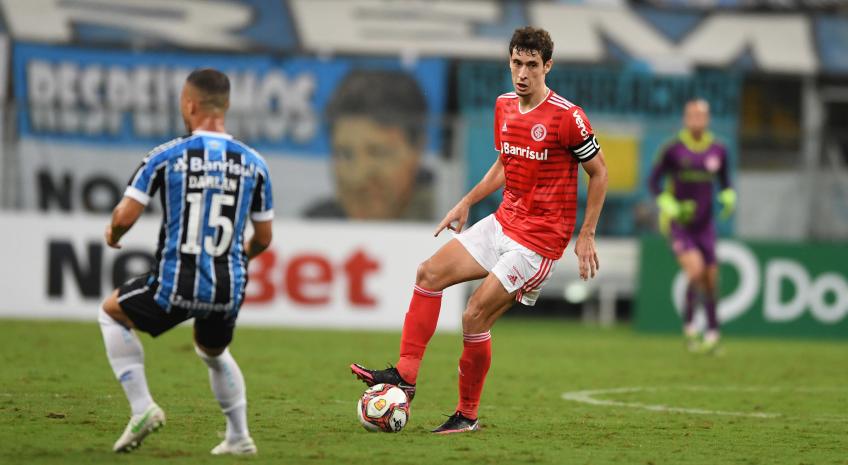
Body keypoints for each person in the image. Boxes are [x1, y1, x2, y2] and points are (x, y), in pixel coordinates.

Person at [351, 27, 608, 433]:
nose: (522, 73)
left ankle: (467, 415)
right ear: (509, 62)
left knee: (473, 316)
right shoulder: (504, 106)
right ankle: (405, 375)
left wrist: (587, 234)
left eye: (532, 65)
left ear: (548, 67)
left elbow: (599, 172)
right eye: (517, 63)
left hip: (538, 242)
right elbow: (505, 165)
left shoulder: (567, 118)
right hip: (503, 222)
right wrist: (467, 201)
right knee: (428, 273)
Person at [97, 68, 274, 454]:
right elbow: (264, 238)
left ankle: (143, 407)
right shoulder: (255, 163)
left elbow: (124, 217)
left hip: (176, 281)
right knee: (212, 351)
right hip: (229, 286)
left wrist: (113, 236)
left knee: (111, 313)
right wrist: (233, 260)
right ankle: (239, 436)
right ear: (225, 106)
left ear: (189, 104)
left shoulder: (166, 156)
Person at [648, 99, 735, 354]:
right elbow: (653, 182)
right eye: (692, 115)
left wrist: (729, 196)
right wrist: (668, 203)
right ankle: (689, 328)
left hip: (705, 224)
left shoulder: (718, 150)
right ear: (686, 119)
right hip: (679, 224)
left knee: (710, 279)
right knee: (695, 271)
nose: (697, 119)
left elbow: (725, 181)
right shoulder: (673, 149)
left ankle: (713, 332)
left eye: (701, 115)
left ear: (707, 119)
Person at [303, 69, 433, 220]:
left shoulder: (449, 224)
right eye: (345, 154)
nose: (359, 175)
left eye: (378, 153)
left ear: (417, 149)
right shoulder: (315, 224)